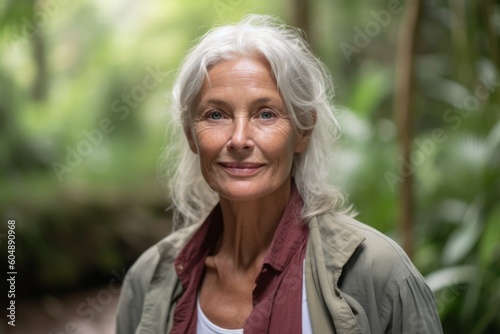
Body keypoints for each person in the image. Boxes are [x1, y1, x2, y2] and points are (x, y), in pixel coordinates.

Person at [115, 14, 443, 334]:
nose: (240, 139)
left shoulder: (378, 273)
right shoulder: (149, 278)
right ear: (190, 135)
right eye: (216, 115)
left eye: (266, 114)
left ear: (302, 132)